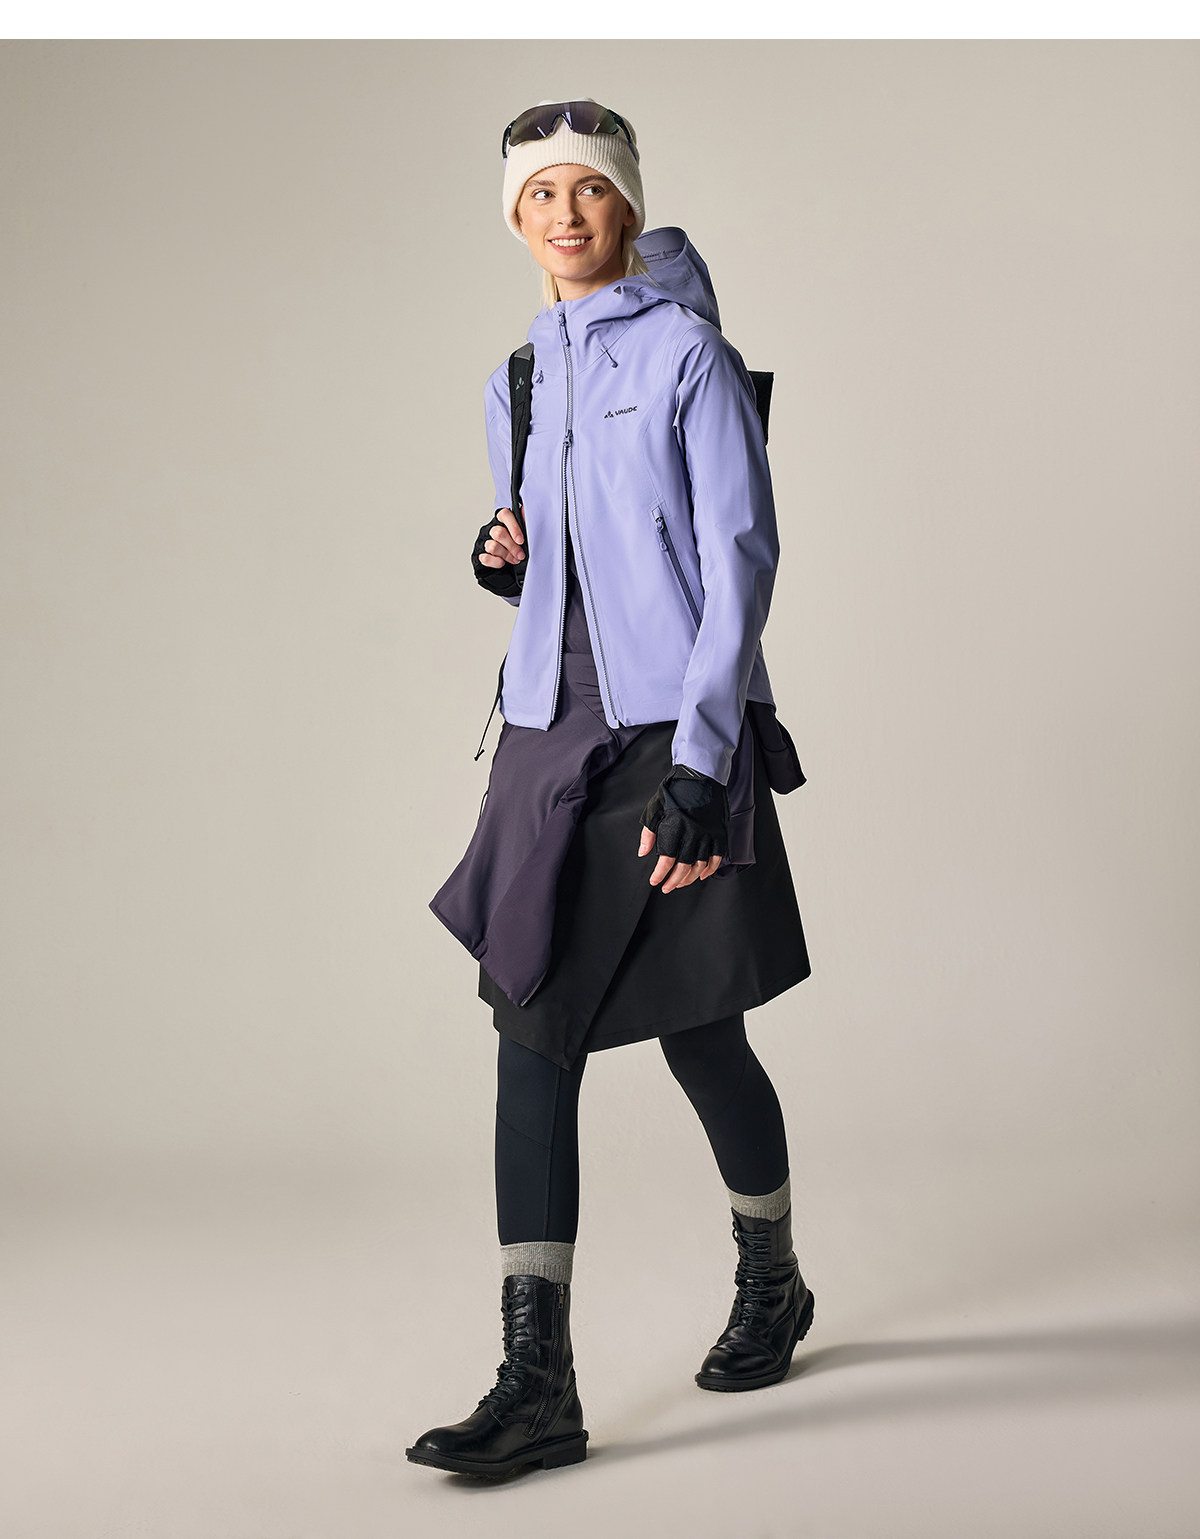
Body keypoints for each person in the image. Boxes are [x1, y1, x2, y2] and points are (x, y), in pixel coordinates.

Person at [407, 99, 814, 1479]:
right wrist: (505, 560)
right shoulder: (518, 380)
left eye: (588, 189)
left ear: (627, 205)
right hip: (548, 731)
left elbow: (738, 561)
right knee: (532, 1024)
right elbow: (558, 555)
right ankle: (540, 1383)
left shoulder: (690, 355)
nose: (565, 214)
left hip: (667, 731)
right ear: (515, 220)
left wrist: (706, 762)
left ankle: (771, 1280)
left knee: (701, 1029)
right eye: (540, 195)